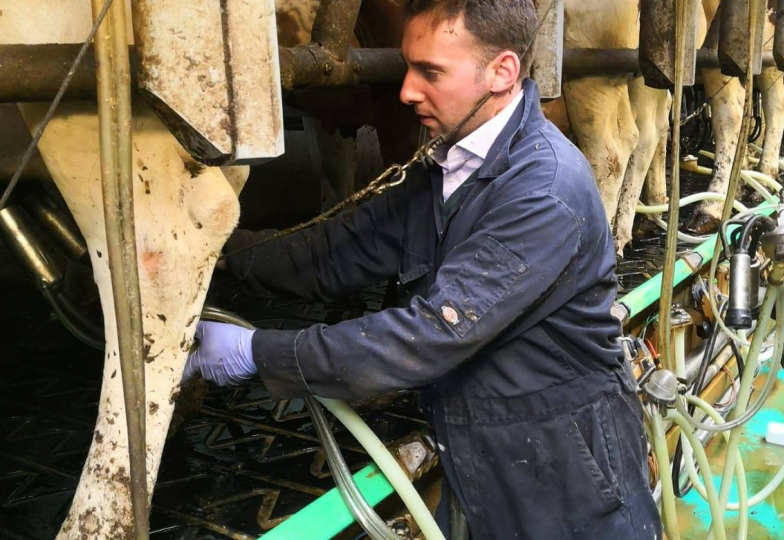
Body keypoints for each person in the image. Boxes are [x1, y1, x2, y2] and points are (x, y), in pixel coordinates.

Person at [185, 1, 661, 538]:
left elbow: (428, 335)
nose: (407, 91)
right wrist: (216, 257)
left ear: (502, 72)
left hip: (563, 479)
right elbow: (336, 249)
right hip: (480, 456)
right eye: (408, 67)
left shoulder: (543, 190)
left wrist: (257, 354)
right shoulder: (447, 165)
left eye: (430, 72)